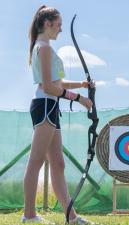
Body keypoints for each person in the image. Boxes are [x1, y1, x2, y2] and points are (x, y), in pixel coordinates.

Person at [23, 5, 93, 224]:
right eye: (59, 25)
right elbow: (47, 86)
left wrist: (81, 85)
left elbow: (57, 83)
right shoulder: (42, 48)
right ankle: (29, 215)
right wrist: (79, 98)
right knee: (36, 162)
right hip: (45, 104)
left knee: (58, 164)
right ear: (47, 24)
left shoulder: (46, 48)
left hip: (50, 106)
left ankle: (71, 217)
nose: (61, 30)